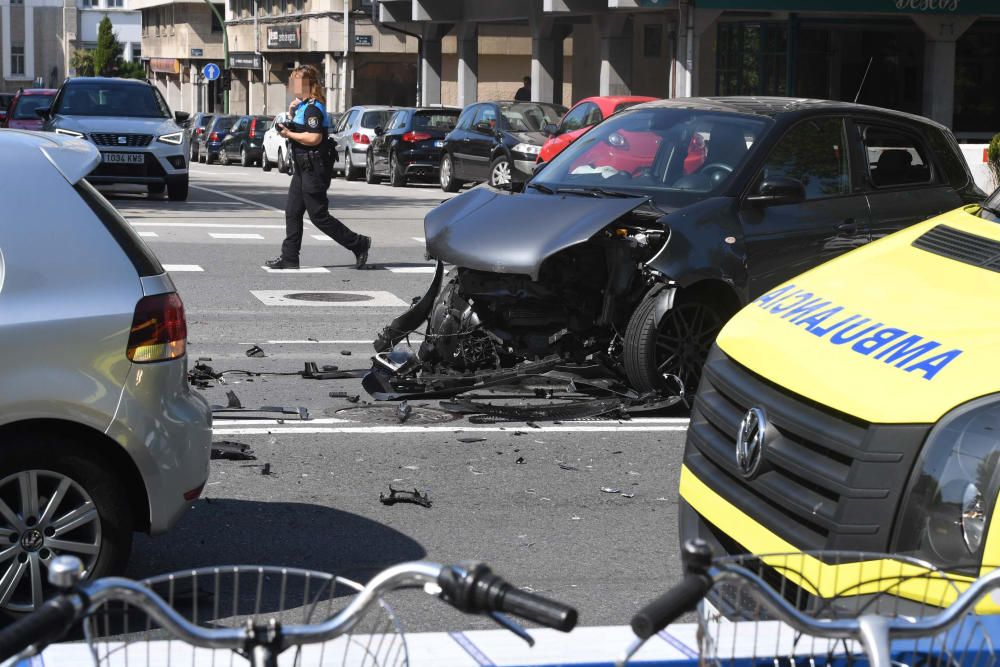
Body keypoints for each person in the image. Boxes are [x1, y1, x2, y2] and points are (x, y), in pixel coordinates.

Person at [265, 65, 370, 270]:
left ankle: (358, 243)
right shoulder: (303, 106)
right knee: (292, 212)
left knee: (319, 216)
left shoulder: (314, 108)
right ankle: (289, 257)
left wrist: (289, 134)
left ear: (308, 84)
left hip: (314, 167)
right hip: (303, 167)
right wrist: (291, 115)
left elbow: (314, 138)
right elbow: (300, 128)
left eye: (296, 81)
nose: (292, 85)